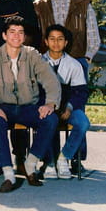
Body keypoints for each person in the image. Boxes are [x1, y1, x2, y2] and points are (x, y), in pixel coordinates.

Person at [0, 16, 61, 193]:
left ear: (24, 36)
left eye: (20, 32)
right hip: (4, 107)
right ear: (4, 35)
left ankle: (30, 164)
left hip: (27, 107)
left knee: (50, 119)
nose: (16, 36)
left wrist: (50, 104)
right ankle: (8, 174)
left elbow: (50, 80)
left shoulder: (32, 54)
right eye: (12, 32)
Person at [33, 0, 101, 81]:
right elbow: (34, 36)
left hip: (77, 61)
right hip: (47, 64)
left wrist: (86, 58)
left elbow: (93, 34)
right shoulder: (38, 6)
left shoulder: (82, 3)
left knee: (77, 94)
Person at [41, 24, 90, 179]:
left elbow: (80, 92)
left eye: (60, 39)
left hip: (68, 106)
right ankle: (49, 162)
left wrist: (69, 107)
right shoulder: (38, 62)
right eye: (52, 39)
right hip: (46, 106)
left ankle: (64, 157)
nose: (56, 43)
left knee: (83, 123)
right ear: (46, 41)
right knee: (47, 120)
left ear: (66, 42)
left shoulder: (74, 64)